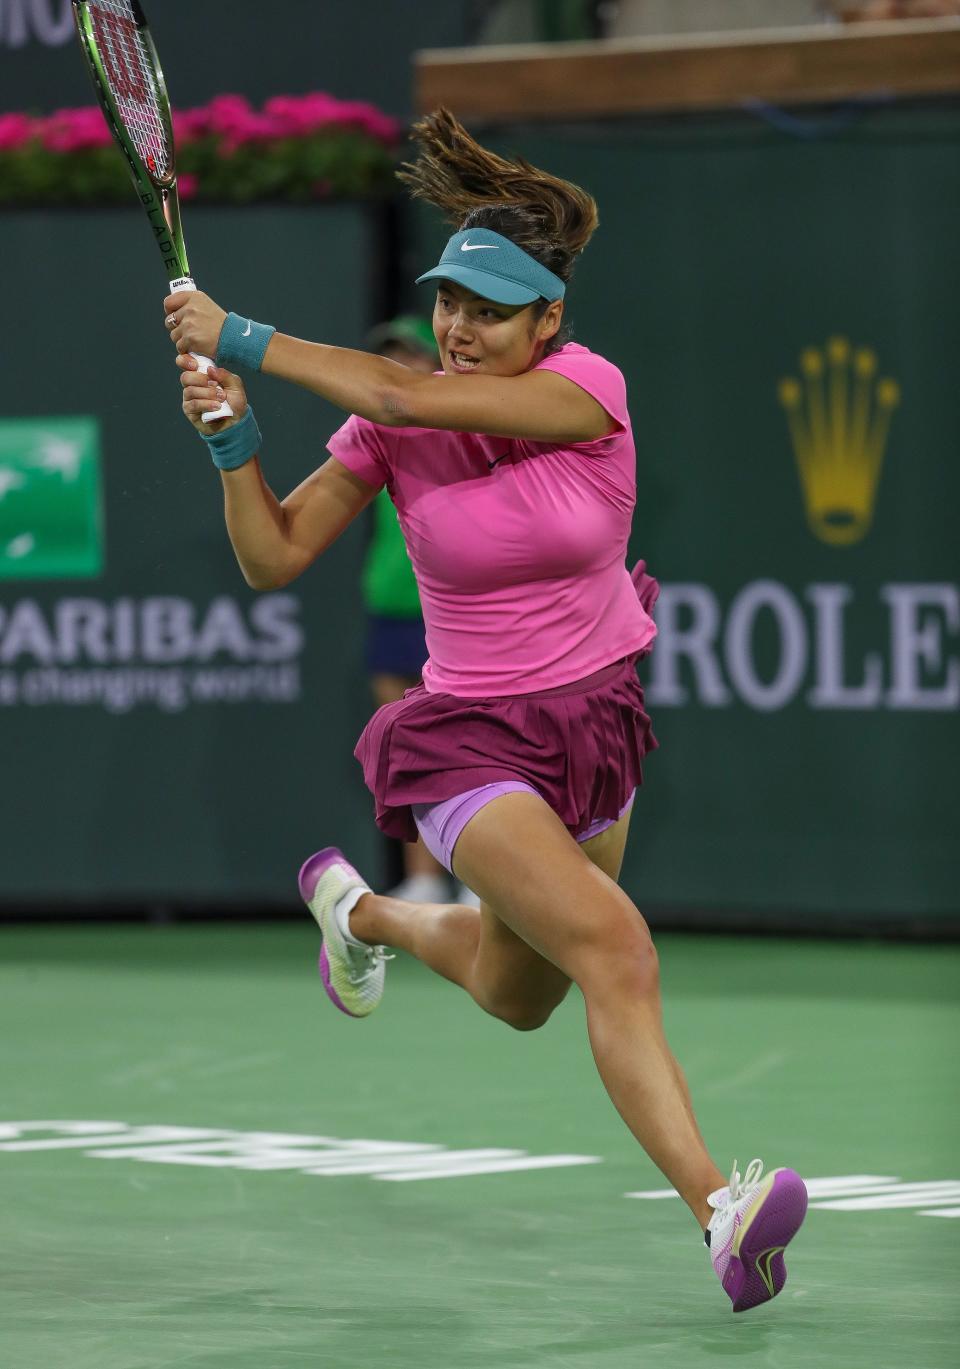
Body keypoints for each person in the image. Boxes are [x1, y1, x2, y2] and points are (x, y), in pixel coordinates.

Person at [164, 108, 807, 1314]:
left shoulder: (587, 392)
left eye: (491, 311)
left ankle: (357, 909)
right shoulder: (388, 415)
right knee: (617, 949)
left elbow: (406, 404)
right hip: (469, 741)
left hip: (597, 724)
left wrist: (240, 334)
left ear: (548, 322)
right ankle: (723, 1212)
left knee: (522, 997)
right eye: (450, 301)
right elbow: (276, 555)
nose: (459, 329)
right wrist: (233, 440)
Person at [360, 316, 467, 906]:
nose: (399, 370)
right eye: (389, 359)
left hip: (450, 613)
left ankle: (482, 883)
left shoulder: (472, 430)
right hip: (390, 606)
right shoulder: (375, 433)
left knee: (474, 752)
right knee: (411, 752)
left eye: (411, 358)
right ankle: (425, 881)